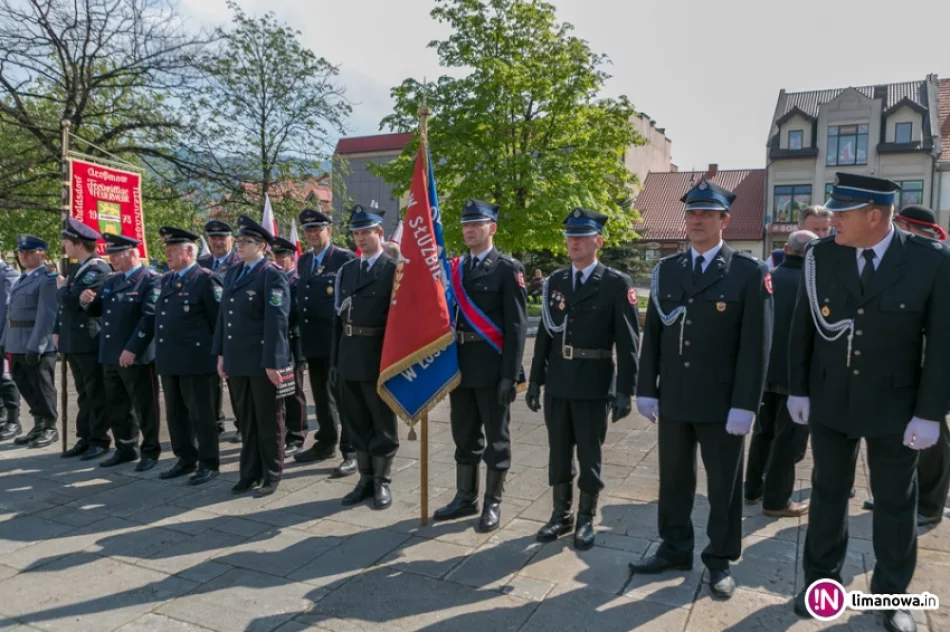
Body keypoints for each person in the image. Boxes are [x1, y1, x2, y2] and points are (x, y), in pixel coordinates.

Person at [787, 174, 950, 632]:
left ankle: (891, 596)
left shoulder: (928, 261)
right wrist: (797, 387)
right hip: (831, 398)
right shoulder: (822, 255)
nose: (832, 219)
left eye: (842, 212)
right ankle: (821, 585)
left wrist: (930, 412)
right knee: (827, 494)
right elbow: (802, 328)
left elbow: (941, 344)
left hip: (896, 406)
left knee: (896, 503)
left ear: (874, 216)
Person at [631, 179, 773, 599]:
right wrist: (647, 387)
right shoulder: (667, 270)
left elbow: (756, 346)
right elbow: (654, 334)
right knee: (674, 479)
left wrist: (746, 404)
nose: (696, 220)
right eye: (691, 213)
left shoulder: (749, 273)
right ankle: (675, 547)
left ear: (724, 220)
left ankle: (720, 559)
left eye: (706, 214)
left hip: (722, 401)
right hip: (674, 397)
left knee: (724, 485)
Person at [526, 207, 639, 550]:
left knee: (590, 453)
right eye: (570, 237)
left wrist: (625, 392)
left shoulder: (616, 283)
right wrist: (535, 380)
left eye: (581, 236)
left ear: (598, 241)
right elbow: (545, 334)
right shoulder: (555, 282)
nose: (573, 243)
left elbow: (628, 342)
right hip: (559, 379)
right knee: (559, 450)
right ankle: (561, 514)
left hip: (593, 380)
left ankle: (586, 517)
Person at [433, 199, 528, 532]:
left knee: (496, 439)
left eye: (477, 224)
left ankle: (492, 502)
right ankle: (465, 497)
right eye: (465, 224)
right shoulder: (456, 268)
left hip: (491, 368)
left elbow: (516, 329)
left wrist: (510, 375)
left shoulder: (507, 268)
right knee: (464, 434)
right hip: (460, 366)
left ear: (493, 228)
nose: (469, 229)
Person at [861, 204, 949, 527]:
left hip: (933, 369)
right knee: (900, 439)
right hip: (905, 368)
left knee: (934, 440)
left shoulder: (937, 261)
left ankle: (929, 504)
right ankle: (894, 494)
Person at [213, 216, 291, 497]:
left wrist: (273, 361)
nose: (240, 246)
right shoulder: (234, 273)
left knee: (269, 420)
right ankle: (249, 472)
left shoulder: (272, 274)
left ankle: (272, 472)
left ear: (261, 246)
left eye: (246, 242)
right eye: (241, 241)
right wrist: (220, 354)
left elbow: (277, 321)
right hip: (237, 359)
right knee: (245, 419)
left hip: (261, 361)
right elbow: (224, 316)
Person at [744, 230, 816, 517]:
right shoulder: (813, 284)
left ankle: (751, 490)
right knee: (788, 441)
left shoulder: (768, 278)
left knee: (763, 433)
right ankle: (776, 500)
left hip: (765, 371)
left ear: (785, 249)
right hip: (795, 377)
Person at [333, 205, 398, 509]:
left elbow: (402, 321)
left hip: (378, 356)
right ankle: (365, 478)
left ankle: (382, 482)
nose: (359, 238)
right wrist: (335, 361)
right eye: (356, 233)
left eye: (365, 232)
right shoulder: (347, 270)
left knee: (381, 422)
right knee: (356, 421)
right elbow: (338, 320)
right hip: (349, 354)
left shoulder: (394, 269)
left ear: (379, 234)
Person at [79, 233, 162, 471]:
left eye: (117, 254)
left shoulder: (149, 280)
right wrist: (87, 301)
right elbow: (100, 310)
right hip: (110, 353)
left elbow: (148, 319)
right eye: (111, 254)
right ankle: (125, 447)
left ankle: (151, 450)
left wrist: (132, 349)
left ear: (133, 253)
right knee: (118, 404)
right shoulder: (112, 280)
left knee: (145, 405)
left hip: (135, 355)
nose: (112, 259)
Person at [153, 226, 222, 485]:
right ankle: (185, 457)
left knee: (201, 415)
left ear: (190, 251)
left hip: (197, 360)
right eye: (167, 250)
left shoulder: (205, 279)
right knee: (176, 415)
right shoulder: (166, 279)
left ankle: (209, 462)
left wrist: (219, 357)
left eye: (173, 250)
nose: (168, 255)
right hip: (170, 360)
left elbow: (218, 322)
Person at [293, 208, 358, 477]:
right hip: (313, 340)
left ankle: (351, 450)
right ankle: (326, 442)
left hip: (337, 340)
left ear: (328, 230)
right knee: (321, 396)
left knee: (344, 398)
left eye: (317, 229)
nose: (312, 234)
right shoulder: (304, 260)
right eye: (308, 230)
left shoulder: (344, 258)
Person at [56, 217, 113, 460]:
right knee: (83, 392)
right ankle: (86, 436)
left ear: (78, 243)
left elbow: (72, 301)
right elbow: (69, 303)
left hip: (88, 340)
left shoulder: (96, 269)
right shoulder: (78, 269)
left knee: (94, 392)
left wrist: (62, 289)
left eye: (67, 241)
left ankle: (99, 439)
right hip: (75, 340)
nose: (64, 246)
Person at [1, 236, 58, 447]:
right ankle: (38, 424)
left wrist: (37, 346)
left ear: (41, 254)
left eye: (29, 251)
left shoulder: (47, 278)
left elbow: (46, 316)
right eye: (21, 251)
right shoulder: (22, 279)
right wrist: (5, 342)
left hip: (34, 345)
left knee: (42, 388)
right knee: (26, 386)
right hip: (15, 343)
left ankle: (50, 427)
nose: (23, 255)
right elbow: (10, 313)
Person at [198, 219, 241, 440]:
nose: (217, 242)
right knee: (209, 384)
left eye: (222, 238)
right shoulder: (201, 262)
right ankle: (215, 422)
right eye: (213, 238)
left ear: (231, 240)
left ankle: (242, 424)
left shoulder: (239, 262)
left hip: (230, 331)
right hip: (205, 333)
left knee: (234, 382)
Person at [271, 236, 307, 458]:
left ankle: (297, 434)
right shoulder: (273, 279)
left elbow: (293, 312)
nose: (279, 260)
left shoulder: (297, 281)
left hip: (293, 342)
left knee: (294, 391)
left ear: (292, 258)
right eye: (276, 256)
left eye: (283, 256)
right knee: (280, 392)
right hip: (278, 345)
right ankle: (283, 432)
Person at [768, 205, 833, 268]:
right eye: (816, 229)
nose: (821, 235)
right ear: (800, 229)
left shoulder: (837, 256)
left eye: (825, 229)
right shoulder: (776, 259)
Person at [0, 257, 22, 440]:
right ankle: (2, 416)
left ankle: (13, 420)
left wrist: (5, 339)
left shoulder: (8, 275)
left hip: (3, 336)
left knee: (6, 379)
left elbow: (8, 311)